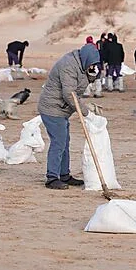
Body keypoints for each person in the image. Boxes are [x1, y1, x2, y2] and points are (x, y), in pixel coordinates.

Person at [38, 43, 100, 189]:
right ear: (86, 59)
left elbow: (79, 86)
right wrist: (86, 113)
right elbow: (69, 94)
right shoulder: (68, 65)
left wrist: (91, 76)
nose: (92, 66)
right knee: (58, 142)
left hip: (62, 110)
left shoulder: (81, 65)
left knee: (64, 141)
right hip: (52, 108)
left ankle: (64, 174)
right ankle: (52, 177)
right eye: (91, 64)